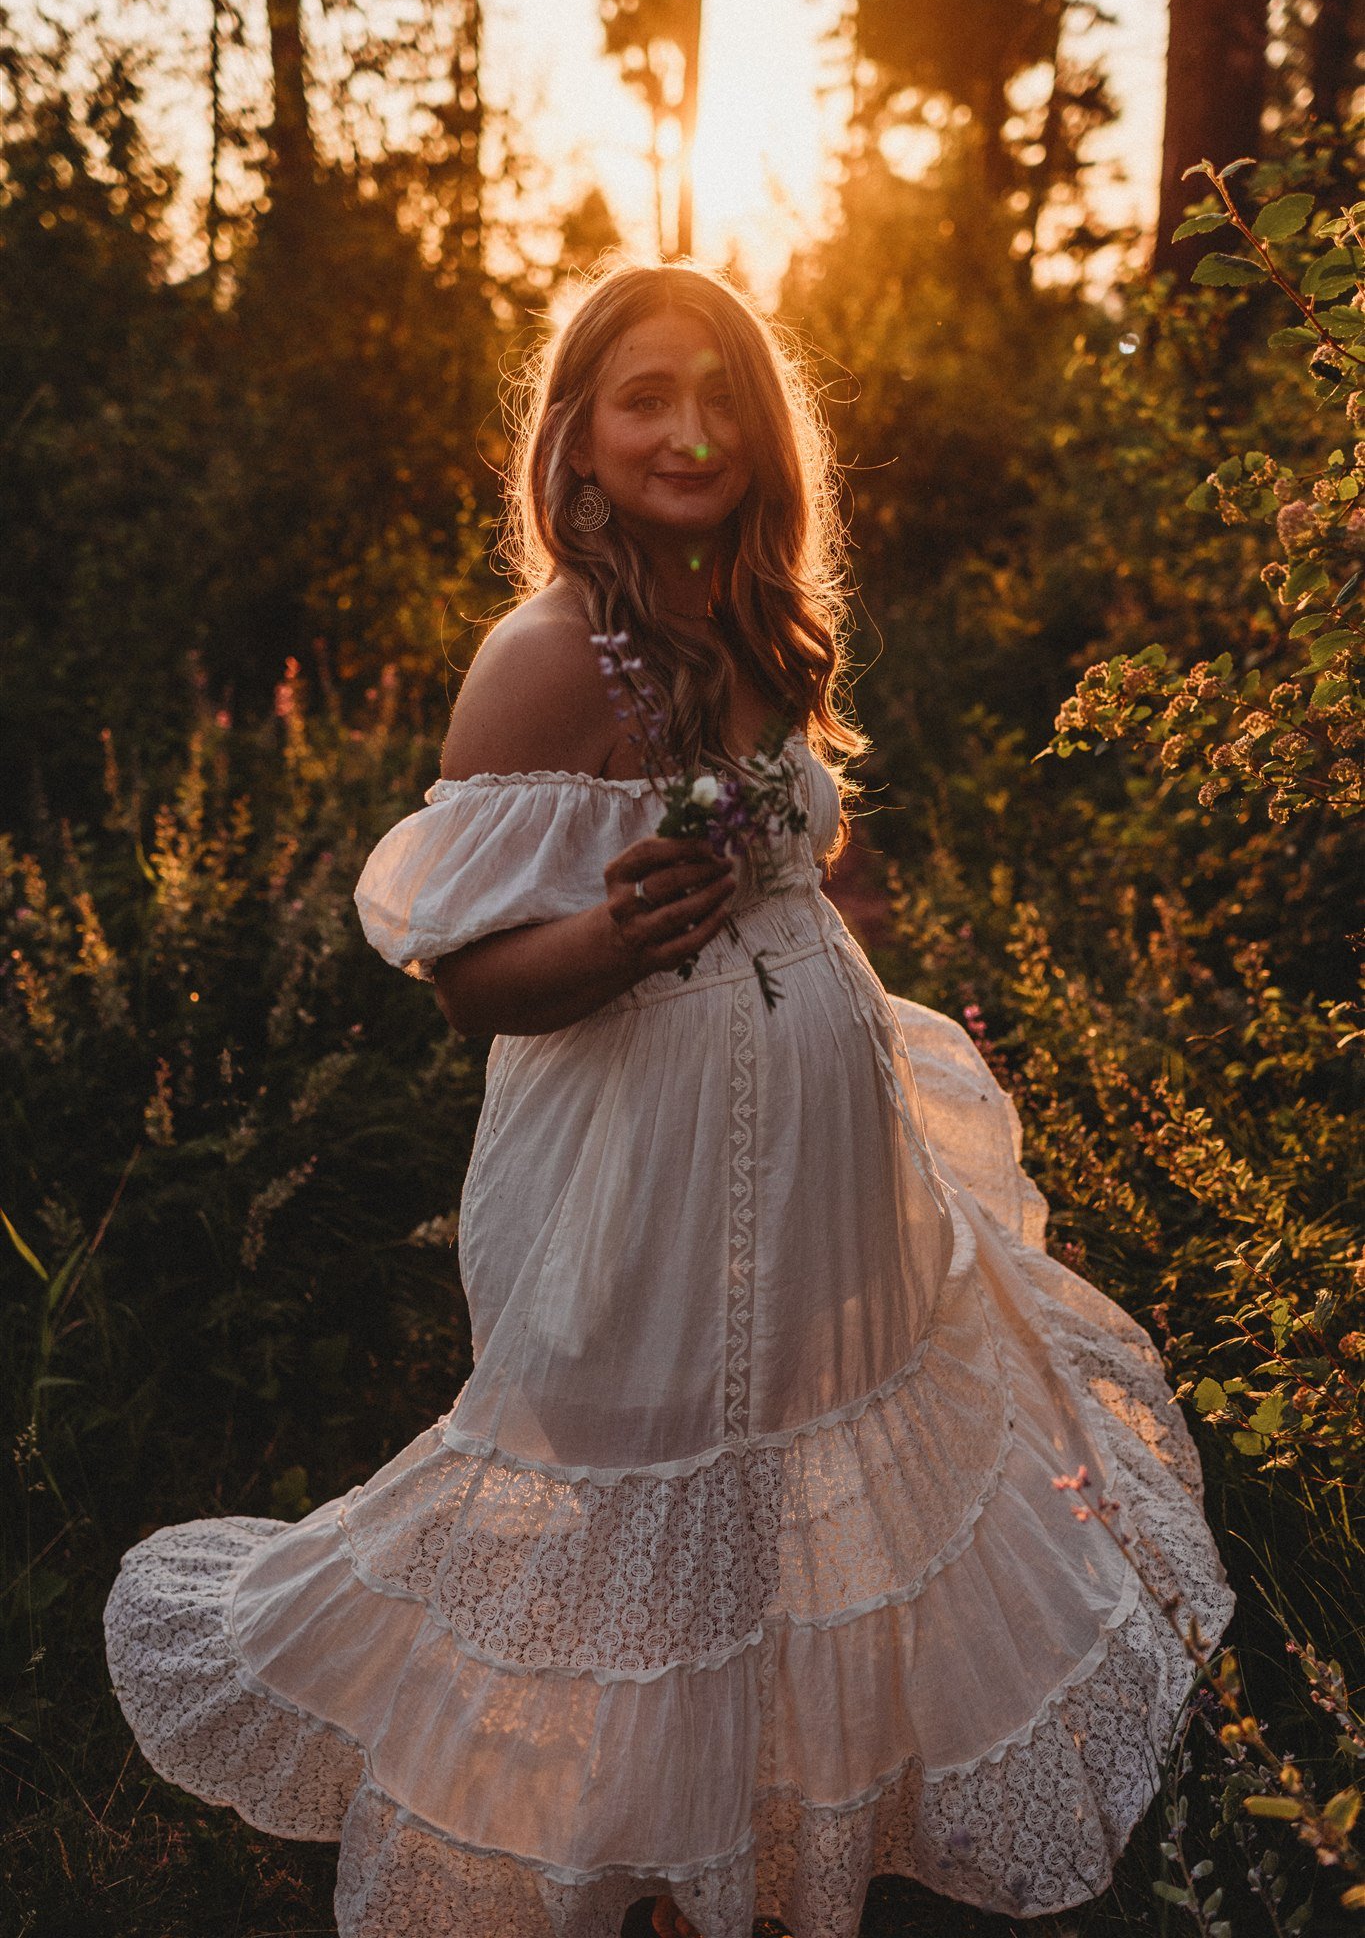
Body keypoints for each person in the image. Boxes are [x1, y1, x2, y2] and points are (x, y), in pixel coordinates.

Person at [105, 261, 1233, 1938]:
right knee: (628, 1488)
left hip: (812, 1151)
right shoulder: (544, 659)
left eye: (717, 396)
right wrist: (614, 931)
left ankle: (772, 1820)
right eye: (644, 398)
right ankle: (603, 1835)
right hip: (638, 1159)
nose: (687, 431)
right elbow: (467, 975)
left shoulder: (742, 618)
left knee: (791, 1486)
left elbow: (801, 867)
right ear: (574, 437)